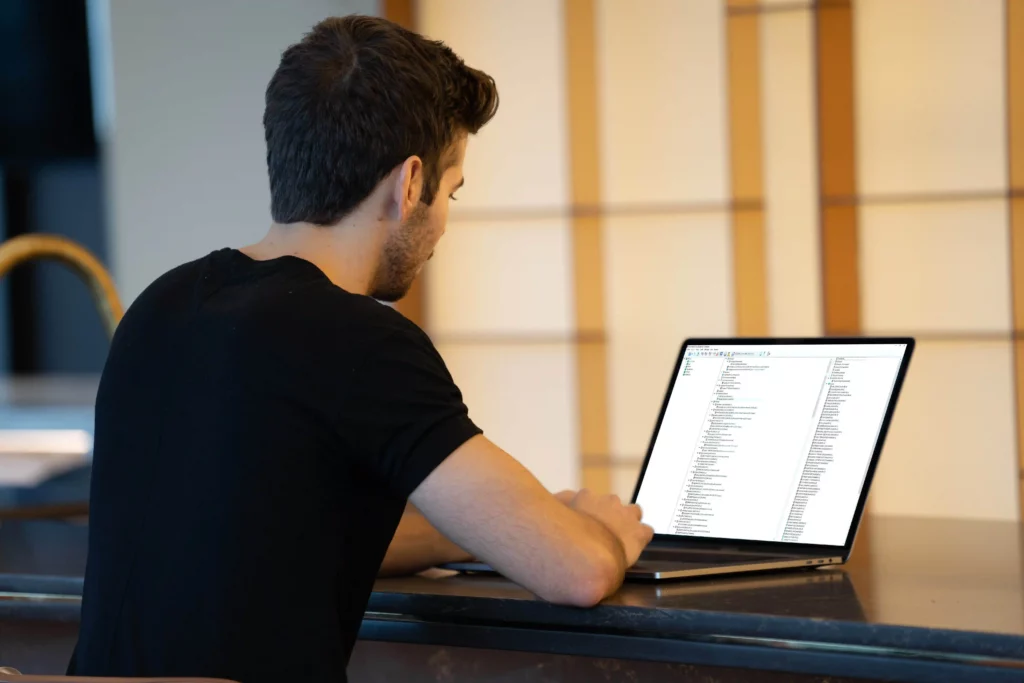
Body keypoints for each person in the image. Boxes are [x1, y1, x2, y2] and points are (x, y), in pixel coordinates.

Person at [68, 14, 653, 683]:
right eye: (452, 189)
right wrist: (603, 531)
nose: (443, 226)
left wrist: (504, 527)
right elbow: (577, 571)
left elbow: (275, 530)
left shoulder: (163, 305)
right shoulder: (360, 342)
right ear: (409, 185)